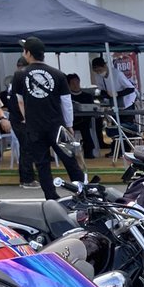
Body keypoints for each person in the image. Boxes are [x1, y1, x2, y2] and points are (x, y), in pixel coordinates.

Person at [16, 37, 84, 199]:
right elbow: (66, 102)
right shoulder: (58, 74)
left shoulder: (20, 76)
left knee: (42, 163)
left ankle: (51, 197)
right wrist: (69, 125)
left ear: (28, 53)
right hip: (56, 124)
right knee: (69, 159)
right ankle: (82, 191)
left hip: (34, 126)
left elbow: (20, 102)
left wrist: (27, 120)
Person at [3, 58, 36, 187]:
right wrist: (24, 117)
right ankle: (27, 179)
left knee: (26, 148)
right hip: (20, 119)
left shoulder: (14, 81)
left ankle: (27, 177)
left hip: (16, 117)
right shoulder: (20, 80)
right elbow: (17, 102)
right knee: (27, 148)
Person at [91, 55, 138, 131]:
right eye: (96, 71)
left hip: (127, 102)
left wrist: (117, 94)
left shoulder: (117, 74)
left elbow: (131, 88)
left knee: (126, 126)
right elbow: (101, 89)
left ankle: (127, 140)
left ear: (105, 66)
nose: (99, 72)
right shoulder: (98, 76)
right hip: (114, 102)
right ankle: (116, 140)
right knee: (115, 124)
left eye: (100, 70)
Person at [66, 73, 100, 158]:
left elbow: (91, 108)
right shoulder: (67, 97)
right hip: (71, 121)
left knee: (86, 128)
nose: (76, 85)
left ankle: (89, 150)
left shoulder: (87, 96)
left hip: (85, 120)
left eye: (77, 82)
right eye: (73, 83)